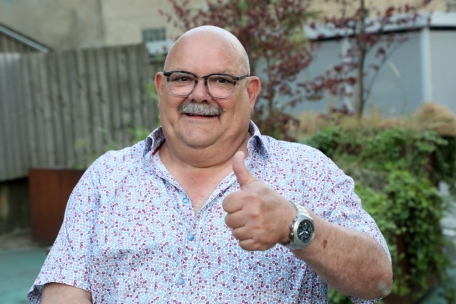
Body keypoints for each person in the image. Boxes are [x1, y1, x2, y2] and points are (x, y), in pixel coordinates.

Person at [28, 25, 392, 303]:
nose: (198, 94)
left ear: (250, 92)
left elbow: (377, 279)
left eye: (220, 80)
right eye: (183, 78)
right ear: (161, 87)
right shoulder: (105, 179)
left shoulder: (306, 171)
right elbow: (65, 291)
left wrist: (293, 225)